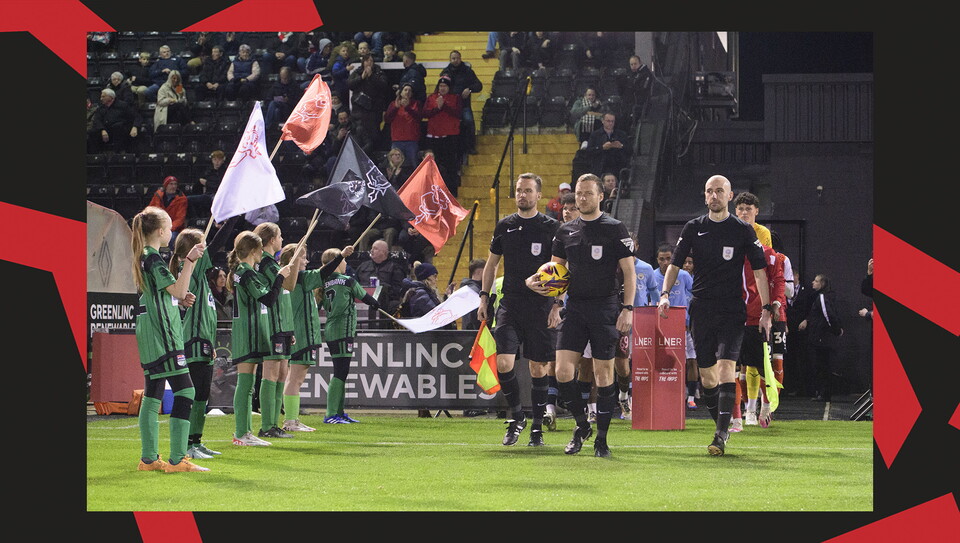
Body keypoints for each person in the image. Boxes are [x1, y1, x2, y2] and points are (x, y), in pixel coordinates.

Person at [656, 174, 772, 456]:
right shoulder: (694, 227)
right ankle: (721, 423)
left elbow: (760, 272)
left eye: (720, 191)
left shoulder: (743, 230)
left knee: (726, 368)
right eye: (710, 191)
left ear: (729, 196)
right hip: (702, 308)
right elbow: (674, 265)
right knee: (707, 377)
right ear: (705, 195)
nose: (714, 195)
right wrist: (664, 294)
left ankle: (720, 435)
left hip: (731, 308)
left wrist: (767, 309)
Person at [527, 173, 636, 458]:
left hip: (605, 308)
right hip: (574, 308)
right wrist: (548, 296)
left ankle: (602, 440)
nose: (582, 198)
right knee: (563, 373)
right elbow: (554, 271)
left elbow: (629, 272)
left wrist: (627, 309)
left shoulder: (615, 228)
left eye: (588, 193)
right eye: (578, 193)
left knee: (603, 374)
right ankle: (581, 425)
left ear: (601, 196)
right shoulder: (565, 231)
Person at [475, 173, 560, 447]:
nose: (522, 194)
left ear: (539, 195)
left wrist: (557, 304)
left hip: (541, 305)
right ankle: (517, 417)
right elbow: (492, 264)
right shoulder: (505, 225)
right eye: (519, 190)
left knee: (538, 367)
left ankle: (537, 427)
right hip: (510, 303)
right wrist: (484, 298)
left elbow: (562, 269)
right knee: (503, 363)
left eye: (528, 190)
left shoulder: (551, 227)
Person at [131, 207, 209, 472]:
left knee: (153, 394)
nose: (172, 233)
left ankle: (149, 459)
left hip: (151, 332)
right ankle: (177, 460)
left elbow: (165, 294)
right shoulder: (152, 257)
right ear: (160, 231)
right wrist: (190, 261)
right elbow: (178, 289)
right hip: (162, 334)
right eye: (169, 228)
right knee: (186, 391)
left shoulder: (144, 255)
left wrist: (177, 299)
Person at [169, 219, 237, 460]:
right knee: (196, 395)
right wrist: (232, 219)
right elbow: (218, 244)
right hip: (193, 341)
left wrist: (210, 343)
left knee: (202, 397)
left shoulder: (201, 277)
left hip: (204, 342)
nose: (206, 249)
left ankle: (196, 441)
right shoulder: (191, 268)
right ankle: (188, 444)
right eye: (202, 245)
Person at [278, 242, 354, 432]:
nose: (306, 261)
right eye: (303, 257)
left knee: (294, 378)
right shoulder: (300, 278)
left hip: (297, 332)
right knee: (295, 378)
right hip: (302, 333)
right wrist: (340, 256)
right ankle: (290, 420)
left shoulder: (289, 278)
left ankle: (292, 419)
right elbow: (324, 272)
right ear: (294, 260)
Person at [226, 230, 293, 446]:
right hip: (248, 332)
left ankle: (244, 432)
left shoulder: (242, 271)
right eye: (260, 250)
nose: (262, 253)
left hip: (250, 331)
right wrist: (280, 276)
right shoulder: (245, 273)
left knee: (248, 385)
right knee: (245, 384)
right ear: (254, 251)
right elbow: (268, 299)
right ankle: (241, 433)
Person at [252, 222, 303, 439]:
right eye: (280, 236)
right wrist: (296, 258)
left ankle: (274, 423)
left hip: (282, 324)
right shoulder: (266, 263)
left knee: (281, 373)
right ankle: (267, 425)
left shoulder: (271, 262)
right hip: (272, 324)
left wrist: (289, 328)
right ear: (272, 240)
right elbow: (289, 286)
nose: (282, 239)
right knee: (271, 373)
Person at [319, 247, 381, 423]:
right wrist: (376, 304)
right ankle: (331, 413)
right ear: (337, 262)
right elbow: (367, 298)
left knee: (341, 371)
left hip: (331, 329)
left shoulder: (323, 281)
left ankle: (339, 412)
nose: (346, 263)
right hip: (343, 330)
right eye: (343, 260)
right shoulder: (347, 281)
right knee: (340, 371)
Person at [653, 243, 697, 408]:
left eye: (668, 259)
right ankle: (664, 394)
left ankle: (691, 396)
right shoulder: (653, 275)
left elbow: (694, 294)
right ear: (657, 260)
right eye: (661, 259)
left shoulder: (683, 275)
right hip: (660, 327)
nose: (665, 262)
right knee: (662, 362)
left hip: (684, 326)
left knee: (691, 360)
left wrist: (690, 319)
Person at [798, 274, 844, 402]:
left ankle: (824, 393)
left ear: (822, 284)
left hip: (821, 337)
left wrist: (836, 330)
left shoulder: (822, 297)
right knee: (822, 365)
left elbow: (828, 315)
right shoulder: (824, 297)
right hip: (821, 336)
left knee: (822, 365)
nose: (813, 282)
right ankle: (823, 392)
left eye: (816, 281)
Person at [423, 75, 463, 197]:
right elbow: (425, 113)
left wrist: (444, 106)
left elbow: (458, 113)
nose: (442, 88)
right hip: (433, 136)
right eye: (440, 86)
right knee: (434, 166)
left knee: (450, 166)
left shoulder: (455, 98)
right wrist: (437, 108)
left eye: (445, 86)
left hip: (449, 136)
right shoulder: (431, 97)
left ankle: (451, 192)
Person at [440, 50, 482, 156]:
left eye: (457, 58)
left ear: (460, 58)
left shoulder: (467, 71)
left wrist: (470, 89)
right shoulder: (445, 72)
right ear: (450, 59)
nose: (455, 60)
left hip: (464, 105)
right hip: (450, 105)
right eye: (453, 58)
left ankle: (471, 147)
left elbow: (479, 85)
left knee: (469, 122)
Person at [347, 53, 391, 149]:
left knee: (373, 136)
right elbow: (350, 84)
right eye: (367, 60)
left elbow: (383, 86)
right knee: (359, 134)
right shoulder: (357, 72)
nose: (369, 63)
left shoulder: (379, 72)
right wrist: (361, 78)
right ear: (363, 62)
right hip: (359, 111)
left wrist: (371, 76)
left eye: (371, 61)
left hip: (374, 111)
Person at [355, 239, 409, 315]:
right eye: (372, 248)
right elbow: (355, 284)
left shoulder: (395, 268)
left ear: (384, 252)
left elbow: (398, 290)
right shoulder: (363, 266)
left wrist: (384, 289)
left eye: (375, 249)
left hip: (385, 303)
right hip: (363, 301)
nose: (371, 251)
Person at [89, 88, 141, 154]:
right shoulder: (101, 108)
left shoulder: (123, 105)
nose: (101, 99)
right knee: (92, 132)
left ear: (111, 97)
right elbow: (97, 120)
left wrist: (135, 127)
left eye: (103, 97)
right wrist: (102, 130)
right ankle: (95, 156)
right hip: (106, 130)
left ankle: (118, 154)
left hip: (121, 130)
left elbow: (137, 116)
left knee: (118, 127)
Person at [383, 84, 422, 167]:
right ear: (401, 92)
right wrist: (395, 108)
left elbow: (419, 118)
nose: (407, 92)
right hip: (397, 140)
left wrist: (408, 108)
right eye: (405, 90)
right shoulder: (393, 104)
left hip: (412, 141)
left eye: (410, 91)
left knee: (414, 166)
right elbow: (387, 119)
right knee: (395, 166)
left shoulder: (416, 104)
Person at [586, 112, 630, 180]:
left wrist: (621, 146)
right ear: (603, 121)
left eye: (612, 121)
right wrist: (602, 148)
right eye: (608, 121)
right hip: (600, 167)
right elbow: (589, 151)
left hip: (617, 166)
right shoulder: (595, 135)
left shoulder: (621, 134)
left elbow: (630, 150)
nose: (611, 123)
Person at [147, 176, 188, 248]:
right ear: (166, 185)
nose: (173, 186)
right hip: (157, 226)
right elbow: (150, 210)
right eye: (171, 184)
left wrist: (168, 228)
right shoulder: (158, 195)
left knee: (172, 238)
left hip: (173, 229)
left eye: (175, 184)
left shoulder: (182, 199)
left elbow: (180, 219)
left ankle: (171, 254)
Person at [458, 258, 486, 330]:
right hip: (475, 332)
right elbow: (471, 317)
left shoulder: (469, 289)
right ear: (480, 272)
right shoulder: (475, 291)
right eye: (486, 271)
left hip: (470, 332)